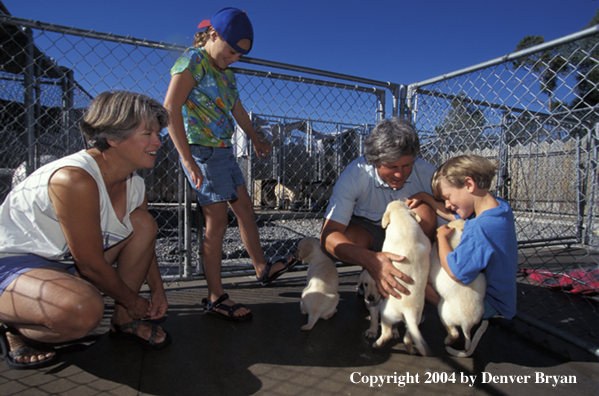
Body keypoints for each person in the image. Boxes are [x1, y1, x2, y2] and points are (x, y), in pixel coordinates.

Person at [0, 91, 172, 370]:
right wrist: (133, 300)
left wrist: (158, 290)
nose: (158, 142)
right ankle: (14, 324)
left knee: (143, 223)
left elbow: (144, 241)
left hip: (64, 265)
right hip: (13, 264)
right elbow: (91, 265)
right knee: (82, 312)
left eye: (158, 133)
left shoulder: (135, 185)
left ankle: (123, 321)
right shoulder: (74, 178)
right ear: (114, 137)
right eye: (148, 133)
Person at [163, 7, 294, 322]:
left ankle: (261, 268)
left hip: (223, 151)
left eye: (240, 54)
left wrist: (256, 138)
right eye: (232, 50)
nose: (234, 57)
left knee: (246, 210)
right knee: (217, 224)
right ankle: (214, 297)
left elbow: (237, 109)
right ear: (213, 35)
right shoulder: (195, 61)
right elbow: (170, 108)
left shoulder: (227, 74)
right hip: (202, 152)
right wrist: (187, 158)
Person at [320, 117, 440, 299]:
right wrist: (371, 260)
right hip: (368, 232)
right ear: (374, 161)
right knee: (348, 238)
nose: (400, 173)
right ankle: (373, 273)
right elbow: (328, 236)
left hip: (409, 238)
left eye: (407, 165)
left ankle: (417, 273)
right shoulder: (356, 174)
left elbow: (454, 217)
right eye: (391, 167)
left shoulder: (427, 173)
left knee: (425, 212)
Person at [408, 154, 518, 320]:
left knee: (417, 279)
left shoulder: (479, 228)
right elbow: (454, 216)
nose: (447, 205)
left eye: (447, 197)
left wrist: (441, 237)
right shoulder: (499, 208)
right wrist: (425, 197)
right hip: (504, 299)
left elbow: (455, 272)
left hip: (487, 305)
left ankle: (460, 319)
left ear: (469, 184)